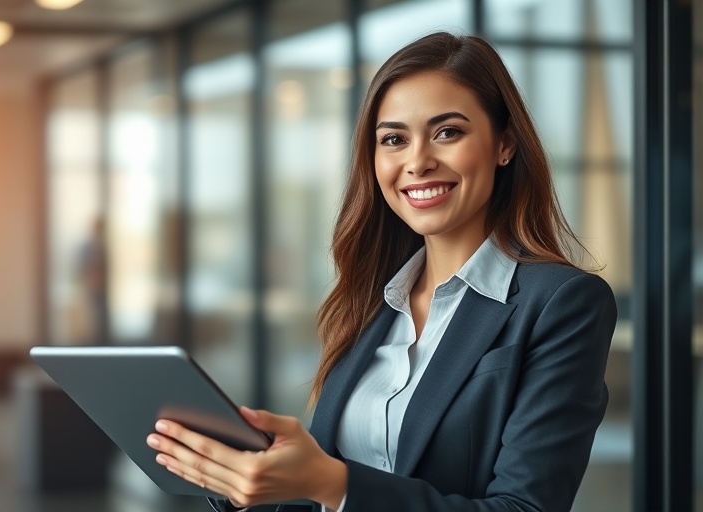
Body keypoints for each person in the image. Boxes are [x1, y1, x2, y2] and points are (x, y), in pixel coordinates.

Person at [147, 32, 617, 512]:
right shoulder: (371, 301)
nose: (417, 161)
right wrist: (247, 481)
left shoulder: (562, 303)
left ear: (504, 144)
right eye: (394, 139)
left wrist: (334, 483)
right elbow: (325, 497)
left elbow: (526, 507)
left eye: (447, 132)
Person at [77, 215, 108, 344]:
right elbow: (85, 268)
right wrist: (91, 281)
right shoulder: (89, 246)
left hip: (100, 288)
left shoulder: (101, 246)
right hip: (92, 288)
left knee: (100, 320)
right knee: (93, 319)